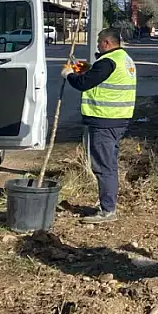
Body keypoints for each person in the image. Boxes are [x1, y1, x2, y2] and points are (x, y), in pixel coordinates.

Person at [61, 28, 137, 225]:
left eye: (98, 42)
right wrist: (87, 68)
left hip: (105, 121)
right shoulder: (124, 59)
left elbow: (84, 84)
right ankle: (108, 205)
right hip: (118, 120)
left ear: (106, 43)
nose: (97, 46)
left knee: (104, 167)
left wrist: (69, 75)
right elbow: (98, 75)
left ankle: (108, 210)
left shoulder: (108, 62)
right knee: (108, 165)